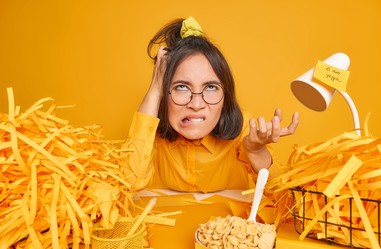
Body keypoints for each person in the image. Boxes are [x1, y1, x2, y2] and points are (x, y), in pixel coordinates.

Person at [121, 16, 299, 193]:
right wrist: (154, 89)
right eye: (181, 87)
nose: (196, 104)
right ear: (164, 94)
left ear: (225, 96)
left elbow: (286, 198)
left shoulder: (244, 130)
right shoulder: (150, 133)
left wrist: (256, 151)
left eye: (211, 87)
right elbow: (127, 184)